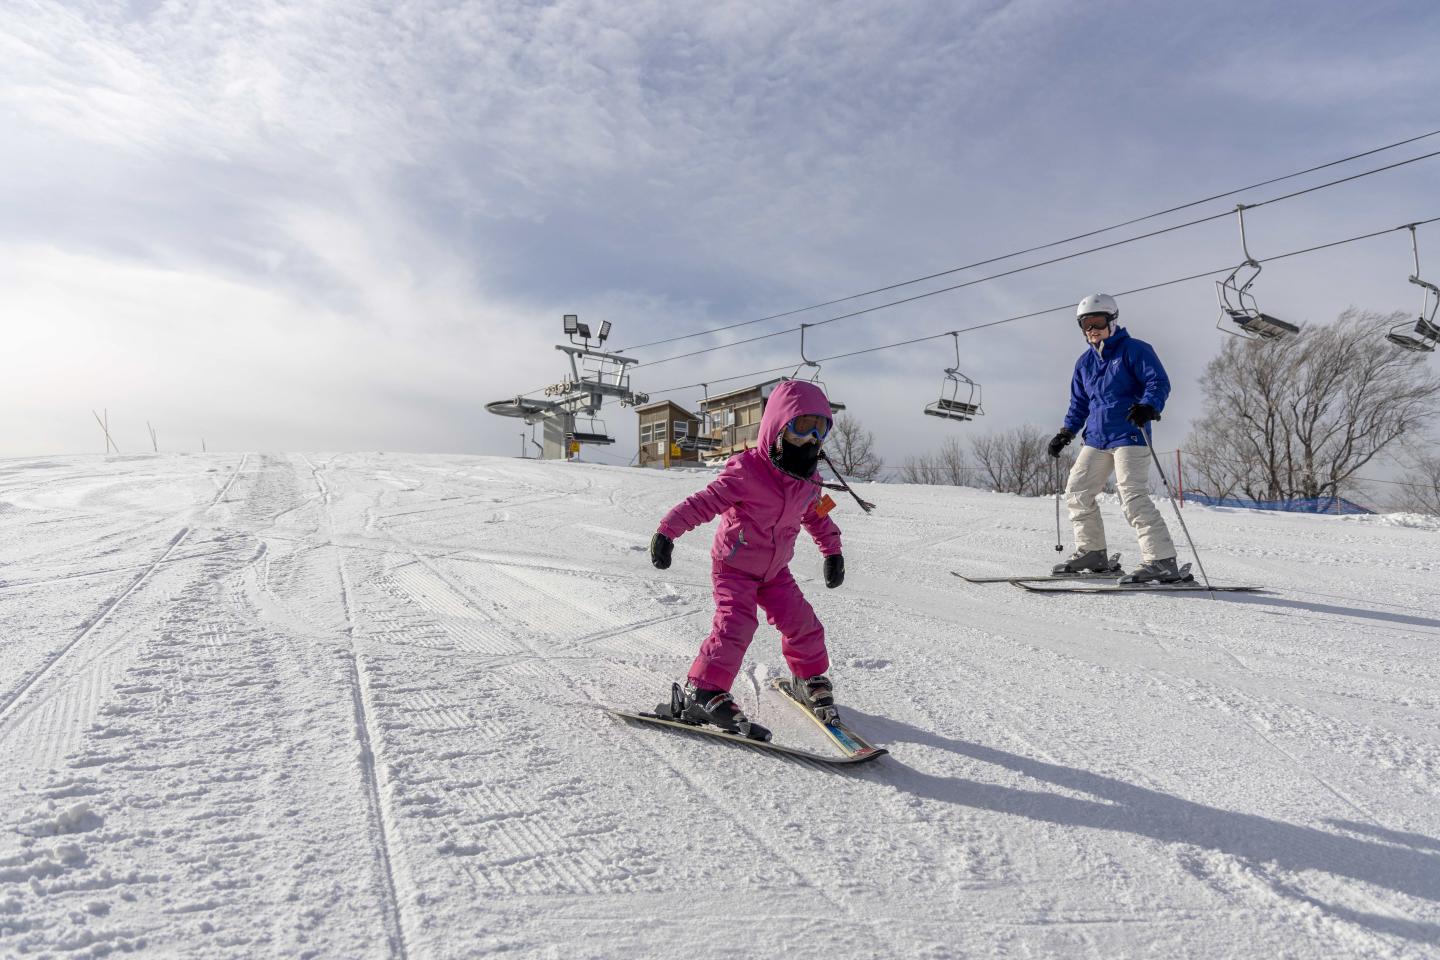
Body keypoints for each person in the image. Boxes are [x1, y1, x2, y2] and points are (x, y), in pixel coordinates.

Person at [648, 379, 845, 741]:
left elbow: (819, 517)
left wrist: (832, 552)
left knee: (804, 624)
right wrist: (667, 532)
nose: (812, 438)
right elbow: (703, 502)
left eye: (821, 428)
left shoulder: (810, 480)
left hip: (775, 572)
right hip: (734, 567)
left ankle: (808, 678)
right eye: (803, 426)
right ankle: (702, 690)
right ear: (778, 425)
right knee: (736, 626)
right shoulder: (747, 472)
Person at [1048, 293, 1183, 584]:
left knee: (1131, 496)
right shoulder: (1084, 363)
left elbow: (1157, 381)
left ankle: (1161, 560)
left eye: (1098, 322)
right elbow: (1079, 404)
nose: (1092, 329)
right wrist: (1066, 433)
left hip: (1129, 434)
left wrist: (1149, 406)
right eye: (1085, 325)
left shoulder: (1134, 350)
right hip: (1096, 438)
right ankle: (1093, 552)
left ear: (1112, 321)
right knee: (1077, 491)